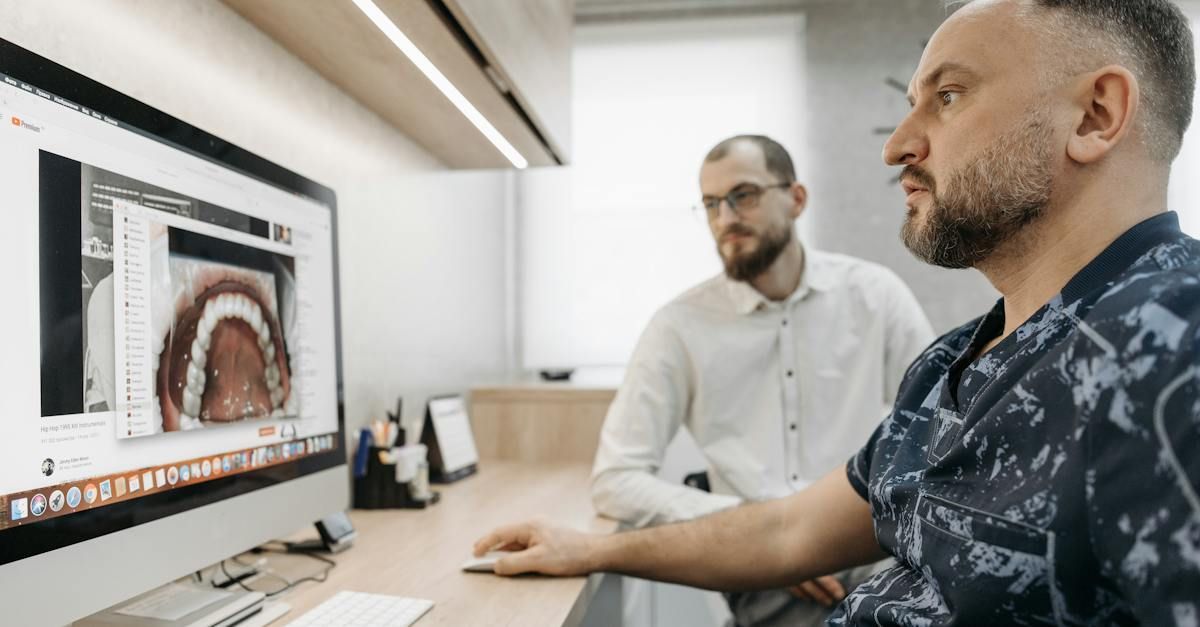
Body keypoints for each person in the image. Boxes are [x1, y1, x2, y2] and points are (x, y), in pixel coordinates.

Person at [473, 1, 1200, 624]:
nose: (896, 147)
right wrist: (590, 547)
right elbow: (790, 530)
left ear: (1096, 114)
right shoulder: (953, 364)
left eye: (948, 96)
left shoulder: (1174, 339)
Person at [591, 134, 933, 626]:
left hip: (872, 552)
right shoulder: (677, 327)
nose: (725, 218)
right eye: (710, 204)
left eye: (743, 196)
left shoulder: (875, 295)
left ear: (796, 199)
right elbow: (615, 480)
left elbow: (937, 435)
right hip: (761, 577)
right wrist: (755, 526)